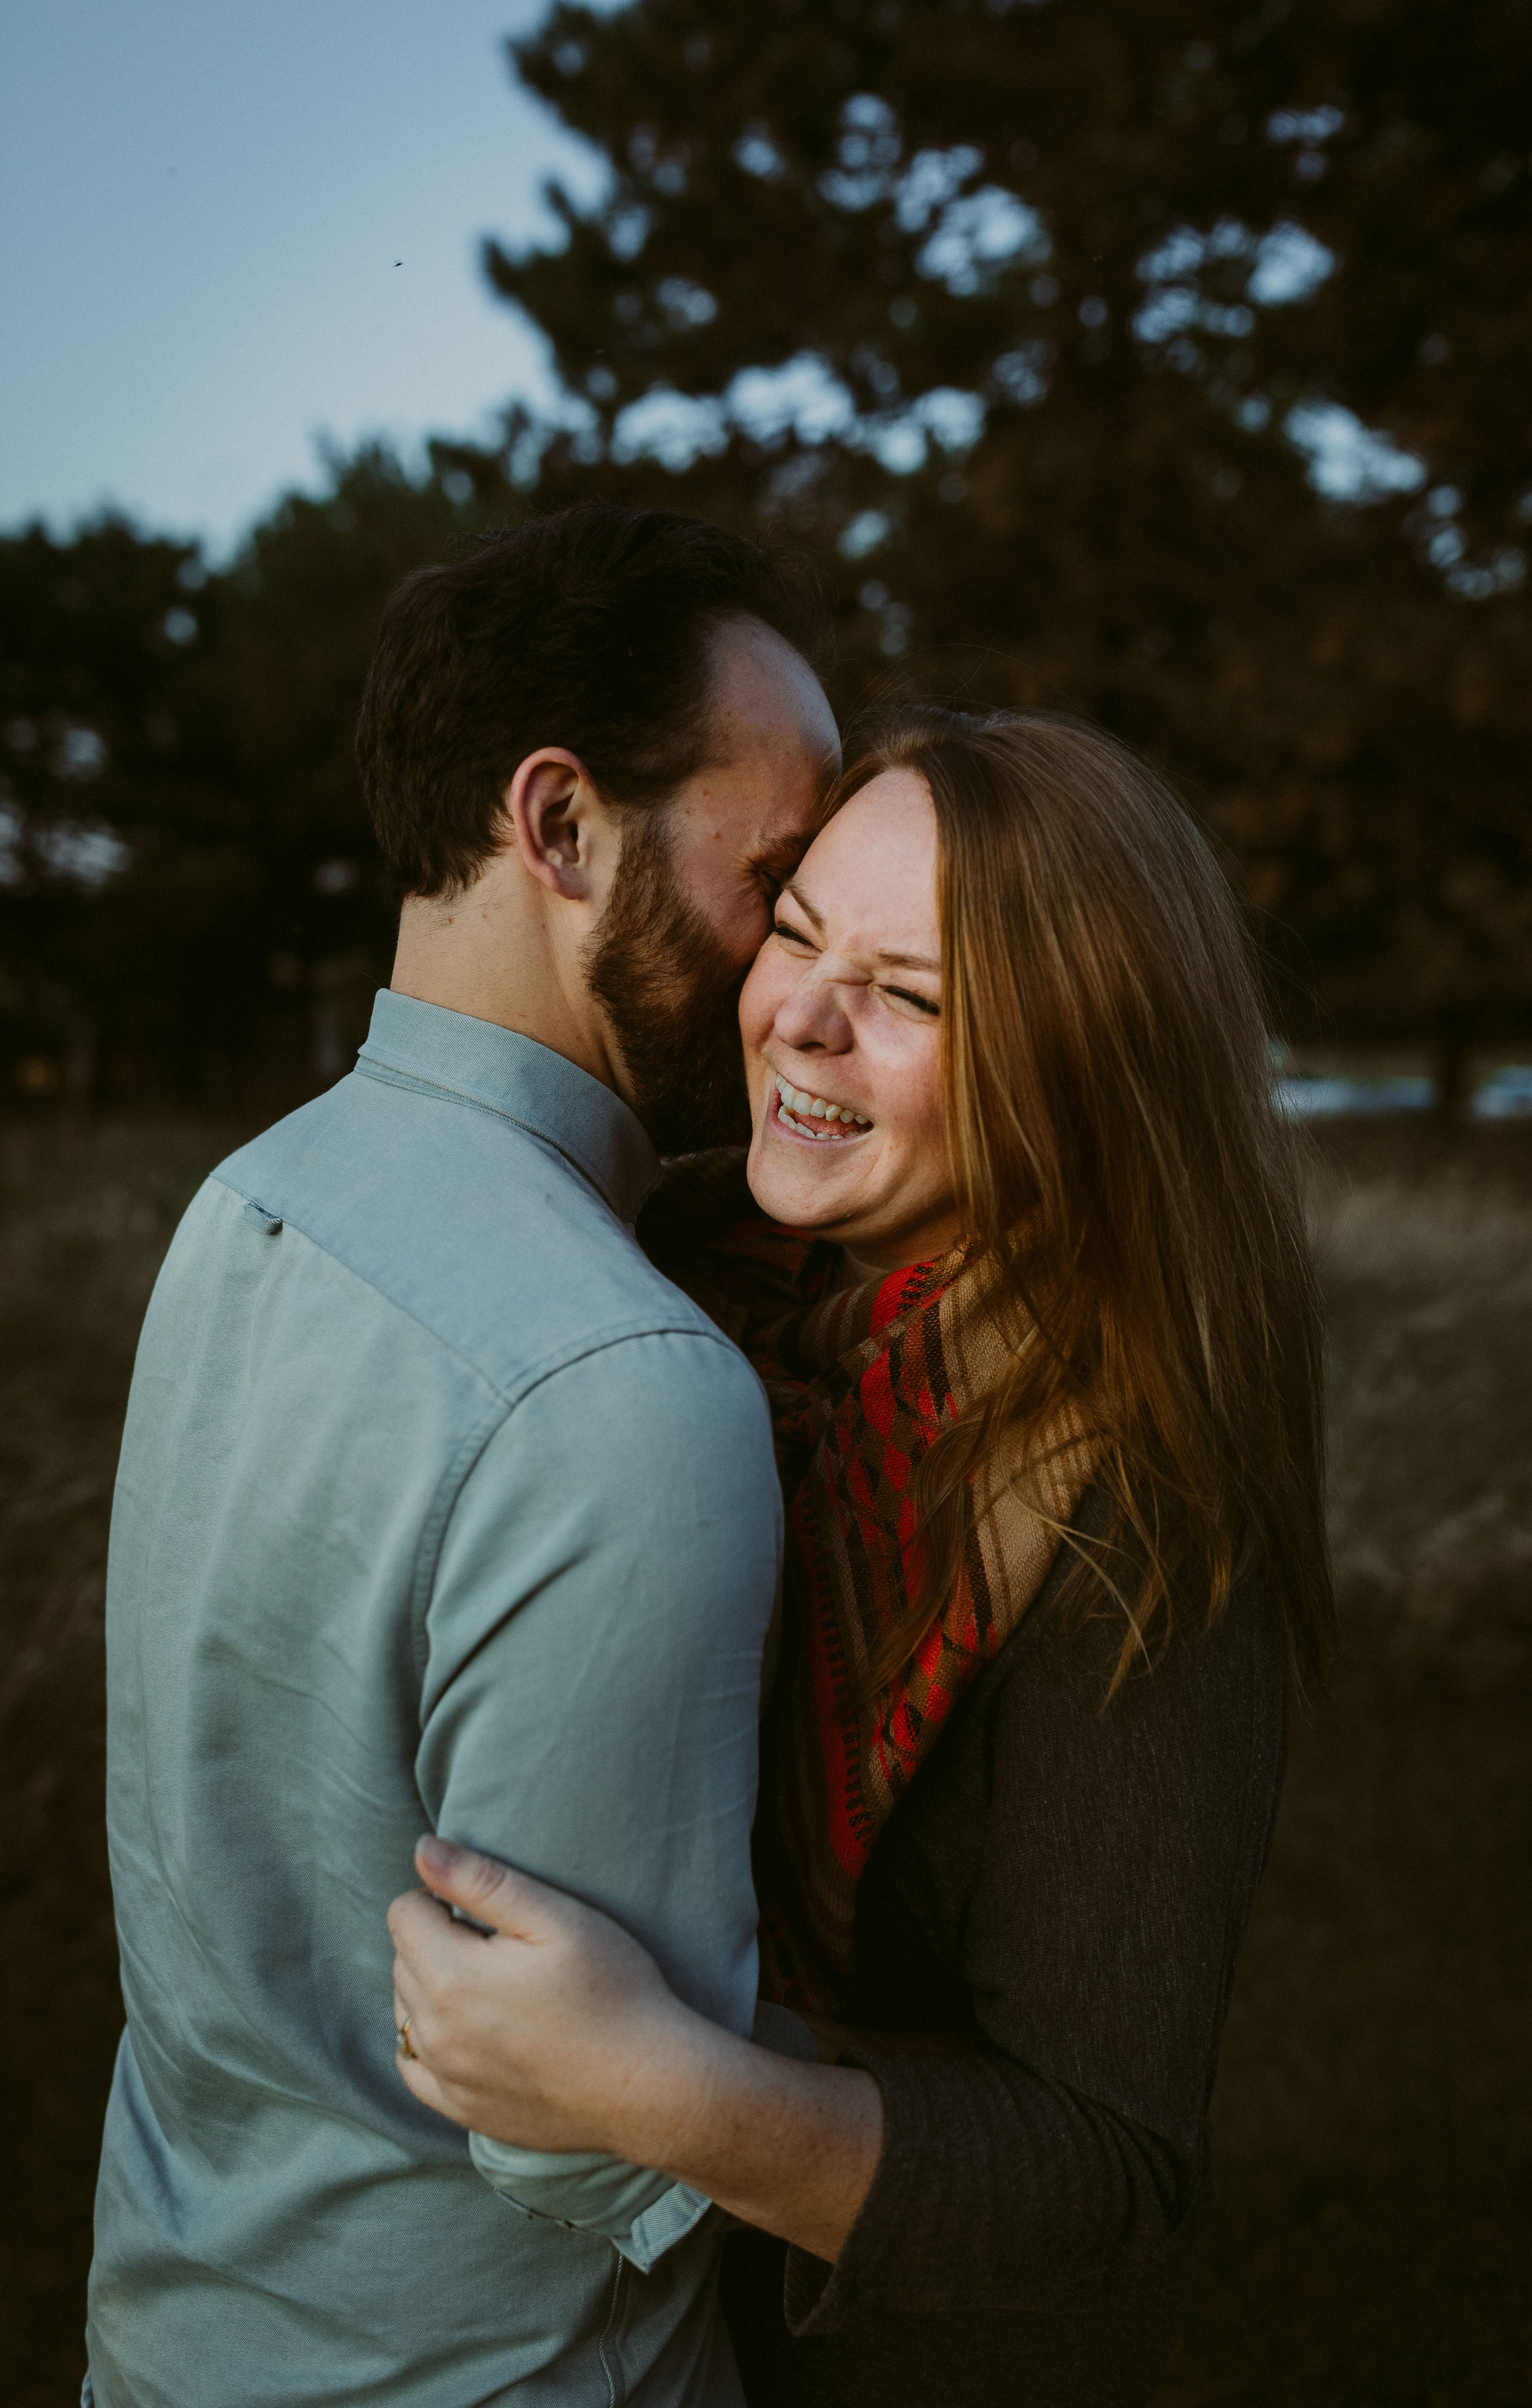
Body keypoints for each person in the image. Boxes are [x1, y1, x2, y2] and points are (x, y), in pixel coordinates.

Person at [386, 706, 1336, 2408]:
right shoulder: (663, 1261)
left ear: (1084, 1066)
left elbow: (1105, 2183)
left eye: (909, 999)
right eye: (801, 935)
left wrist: (661, 2091)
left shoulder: (1143, 1507)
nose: (799, 1025)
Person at [84, 505, 841, 2408]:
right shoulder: (629, 1385)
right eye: (780, 880)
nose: (793, 970)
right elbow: (595, 2144)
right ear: (563, 828)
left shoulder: (247, 1201)